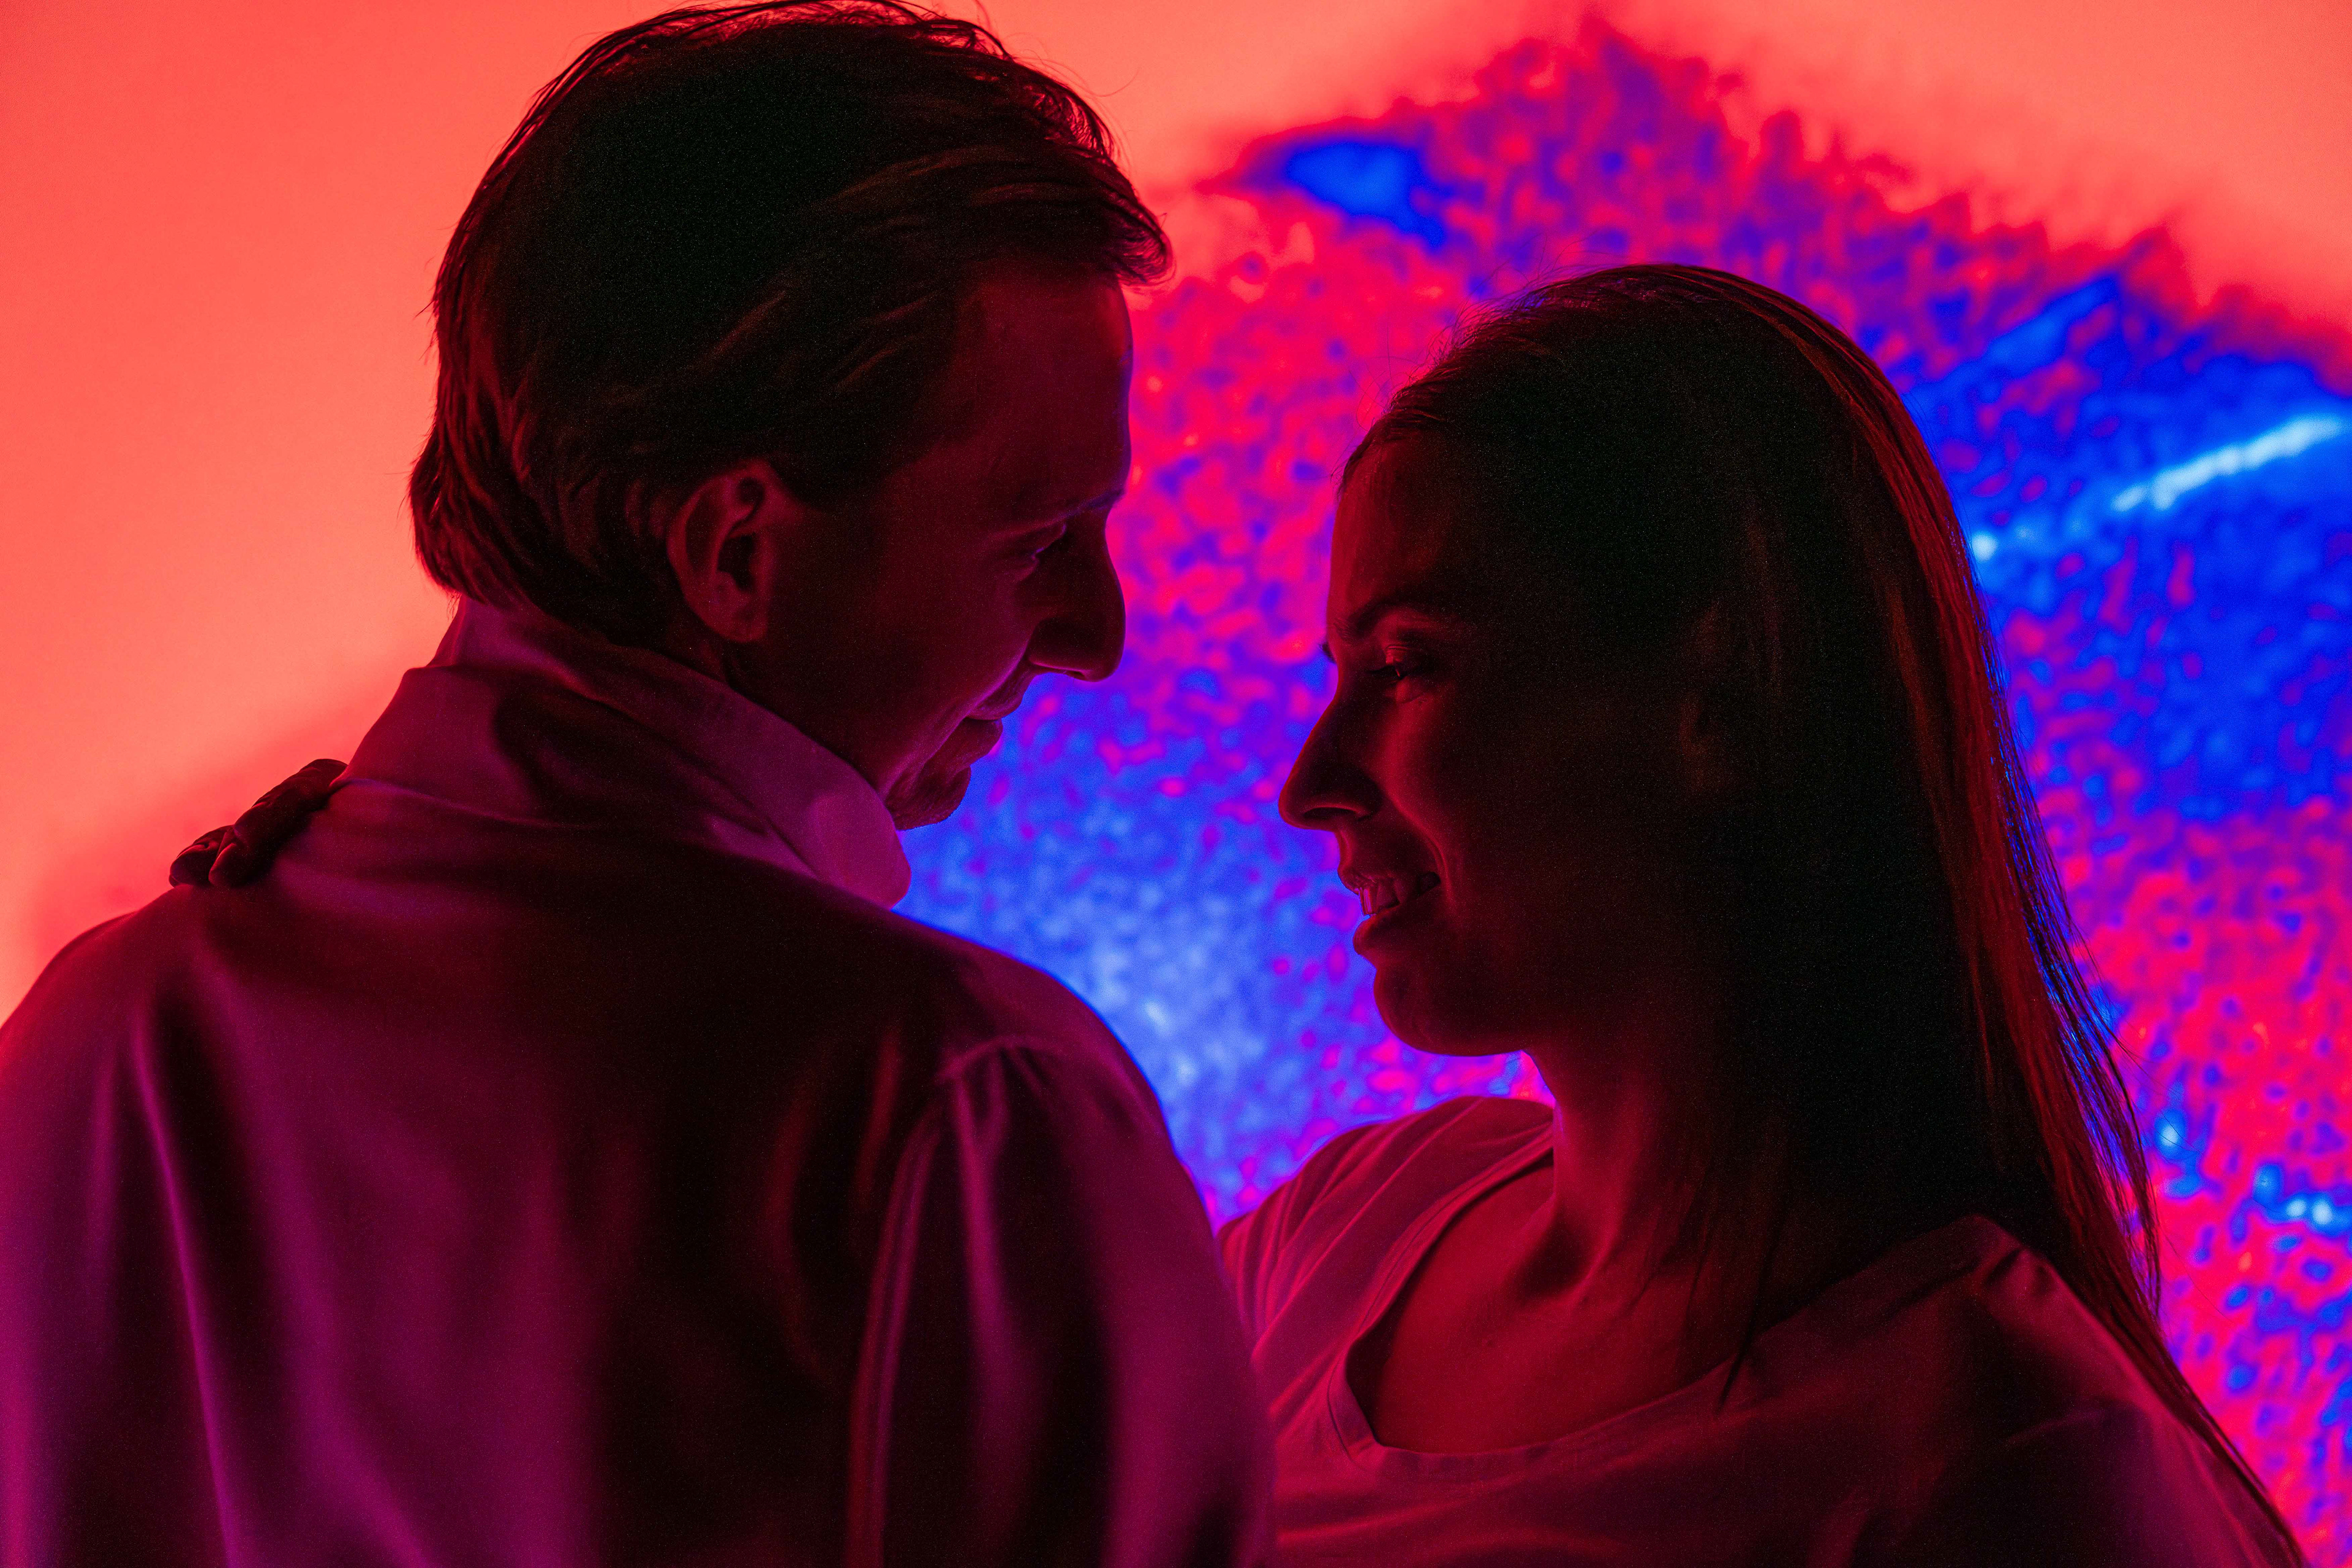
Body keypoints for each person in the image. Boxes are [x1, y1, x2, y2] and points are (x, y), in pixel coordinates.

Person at [0, 6, 1270, 1566]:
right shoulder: (963, 1105)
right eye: (1037, 539)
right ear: (737, 551)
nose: (1099, 631)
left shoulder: (89, 1041)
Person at [1221, 265, 2305, 1564]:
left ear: (1724, 703)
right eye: (1344, 671)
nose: (1309, 784)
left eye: (1408, 665)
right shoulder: (1348, 1226)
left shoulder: (2020, 1467)